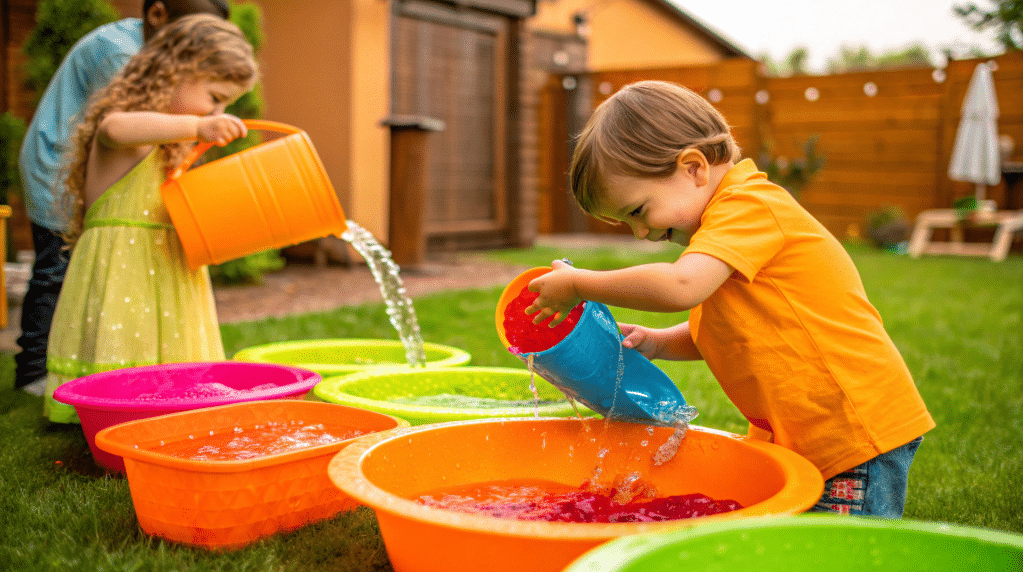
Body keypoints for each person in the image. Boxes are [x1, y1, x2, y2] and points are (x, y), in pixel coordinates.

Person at [525, 80, 935, 518]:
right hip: (808, 430)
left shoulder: (750, 206)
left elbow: (681, 286)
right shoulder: (724, 229)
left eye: (638, 211)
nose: (641, 232)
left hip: (849, 429)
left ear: (694, 168)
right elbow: (734, 327)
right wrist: (661, 342)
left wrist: (579, 285)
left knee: (843, 557)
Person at [41, 13, 258, 422]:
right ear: (174, 72)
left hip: (167, 263)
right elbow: (113, 128)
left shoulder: (172, 138)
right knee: (126, 338)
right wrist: (198, 124)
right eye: (214, 97)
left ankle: (172, 408)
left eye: (227, 103)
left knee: (171, 348)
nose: (219, 110)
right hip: (122, 264)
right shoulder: (131, 126)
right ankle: (109, 412)